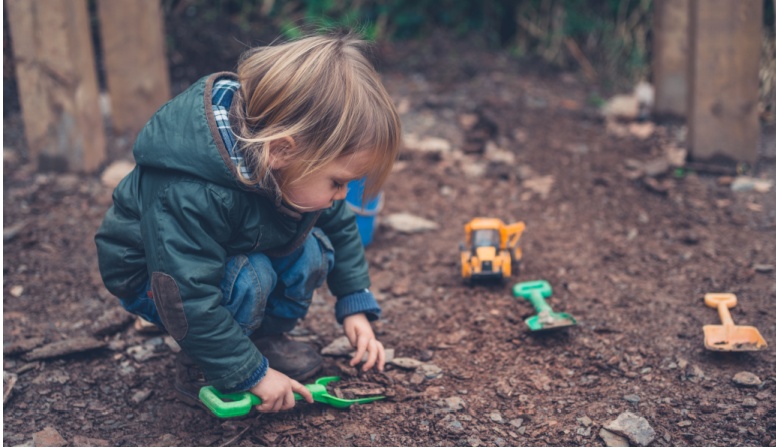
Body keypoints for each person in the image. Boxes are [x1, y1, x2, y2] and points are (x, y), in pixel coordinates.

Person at [95, 31, 401, 413]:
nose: (341, 195)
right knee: (249, 277)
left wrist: (355, 304)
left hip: (224, 250)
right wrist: (250, 376)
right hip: (157, 278)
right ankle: (209, 366)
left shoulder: (287, 166)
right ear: (282, 150)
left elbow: (339, 225)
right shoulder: (191, 191)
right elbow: (186, 293)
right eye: (337, 182)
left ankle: (260, 341)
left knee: (310, 251)